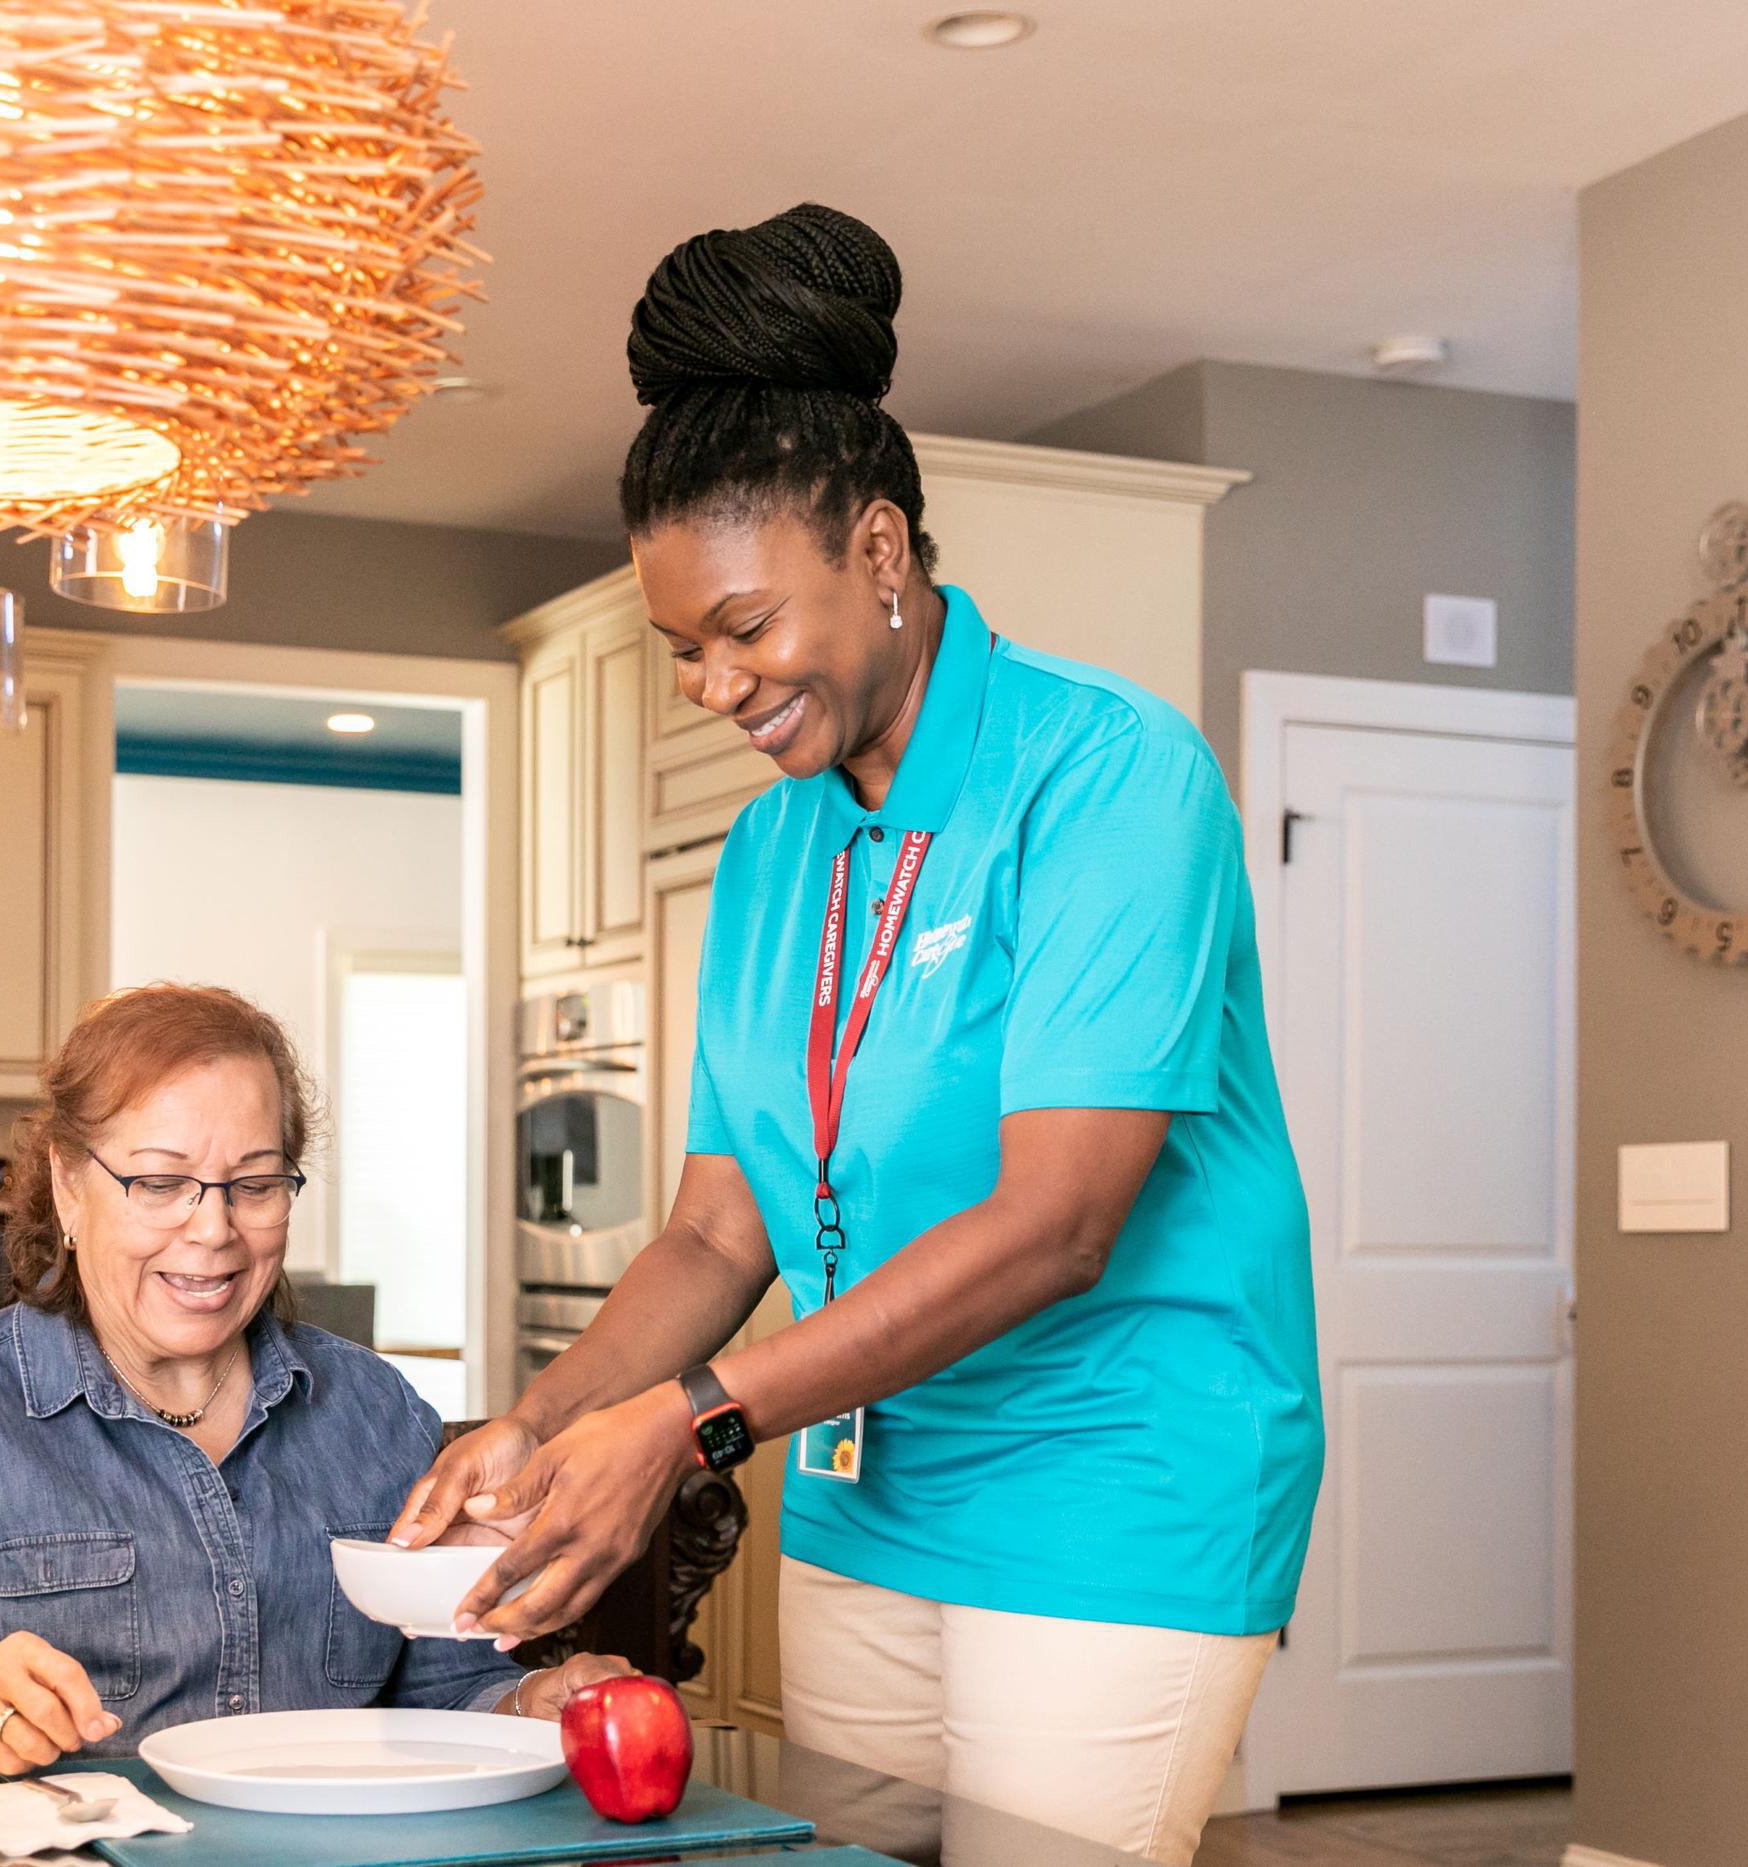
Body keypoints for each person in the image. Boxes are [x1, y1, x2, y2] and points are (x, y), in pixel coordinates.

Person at [397, 204, 1323, 1867]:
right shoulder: (774, 848)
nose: (710, 682)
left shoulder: (1110, 777)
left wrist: (685, 1420)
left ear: (880, 552)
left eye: (745, 628)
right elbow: (713, 1223)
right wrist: (538, 1424)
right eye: (682, 647)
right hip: (864, 1489)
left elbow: (1059, 1219)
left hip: (1119, 1479)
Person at [0, 983, 626, 1775]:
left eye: (254, 1184)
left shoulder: (377, 1412)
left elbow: (448, 1696)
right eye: (158, 1182)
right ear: (70, 1185)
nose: (213, 1230)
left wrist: (529, 1700)